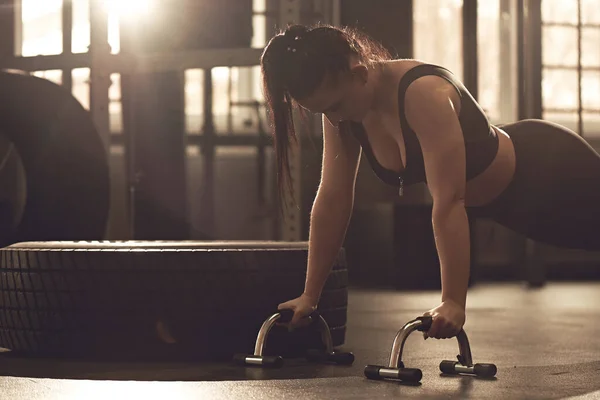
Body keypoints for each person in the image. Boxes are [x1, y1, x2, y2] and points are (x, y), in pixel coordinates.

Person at [260, 23, 600, 341]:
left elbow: (449, 201)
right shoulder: (343, 110)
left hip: (551, 170)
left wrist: (452, 300)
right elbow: (333, 198)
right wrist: (310, 295)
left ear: (358, 73)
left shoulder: (423, 93)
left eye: (334, 106)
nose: (332, 118)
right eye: (323, 112)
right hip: (515, 209)